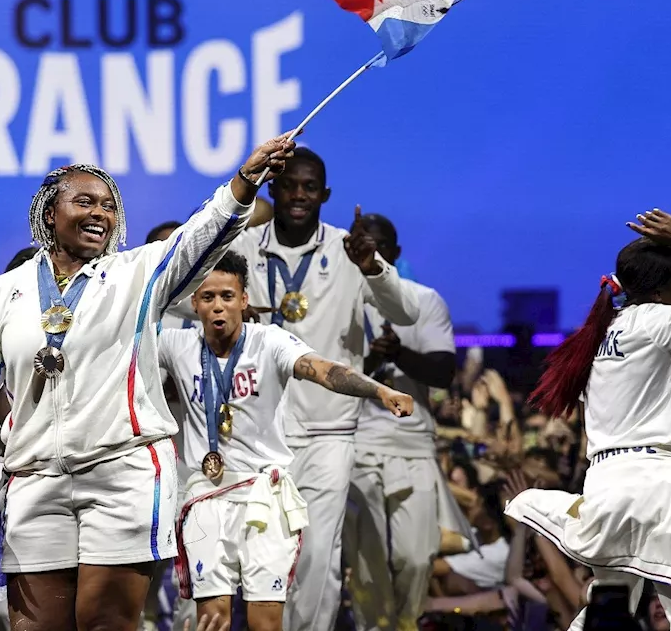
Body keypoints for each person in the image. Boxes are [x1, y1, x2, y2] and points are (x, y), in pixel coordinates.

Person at [0, 135, 297, 631]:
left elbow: (201, 236)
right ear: (49, 212)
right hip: (35, 481)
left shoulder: (137, 273)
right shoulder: (3, 293)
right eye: (84, 201)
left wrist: (245, 181)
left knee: (107, 623)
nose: (100, 211)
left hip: (122, 475)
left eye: (108, 204)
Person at [505, 209, 671, 630]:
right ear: (660, 290)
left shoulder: (601, 332)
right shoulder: (655, 321)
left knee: (606, 609)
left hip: (605, 485)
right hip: (654, 486)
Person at [159, 251, 414, 631]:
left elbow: (325, 370)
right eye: (208, 297)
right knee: (212, 620)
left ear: (244, 300)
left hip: (265, 497)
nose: (218, 307)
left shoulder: (270, 342)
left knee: (266, 623)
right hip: (206, 498)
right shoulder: (175, 346)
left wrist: (380, 391)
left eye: (227, 296)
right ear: (193, 302)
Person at [221, 148, 421, 631]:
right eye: (290, 185)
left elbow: (407, 312)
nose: (299, 195)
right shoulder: (245, 247)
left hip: (330, 430)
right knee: (259, 552)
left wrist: (372, 266)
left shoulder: (351, 250)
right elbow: (190, 300)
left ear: (326, 195)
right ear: (273, 188)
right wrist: (228, 311)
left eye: (310, 187)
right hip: (258, 430)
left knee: (314, 553)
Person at [342, 213, 464, 631]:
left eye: (379, 248)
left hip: (412, 448)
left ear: (393, 254)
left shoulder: (423, 300)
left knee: (415, 557)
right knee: (368, 566)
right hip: (358, 446)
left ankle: (407, 622)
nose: (370, 254)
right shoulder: (341, 299)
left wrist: (397, 354)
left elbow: (444, 372)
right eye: (363, 248)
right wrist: (371, 361)